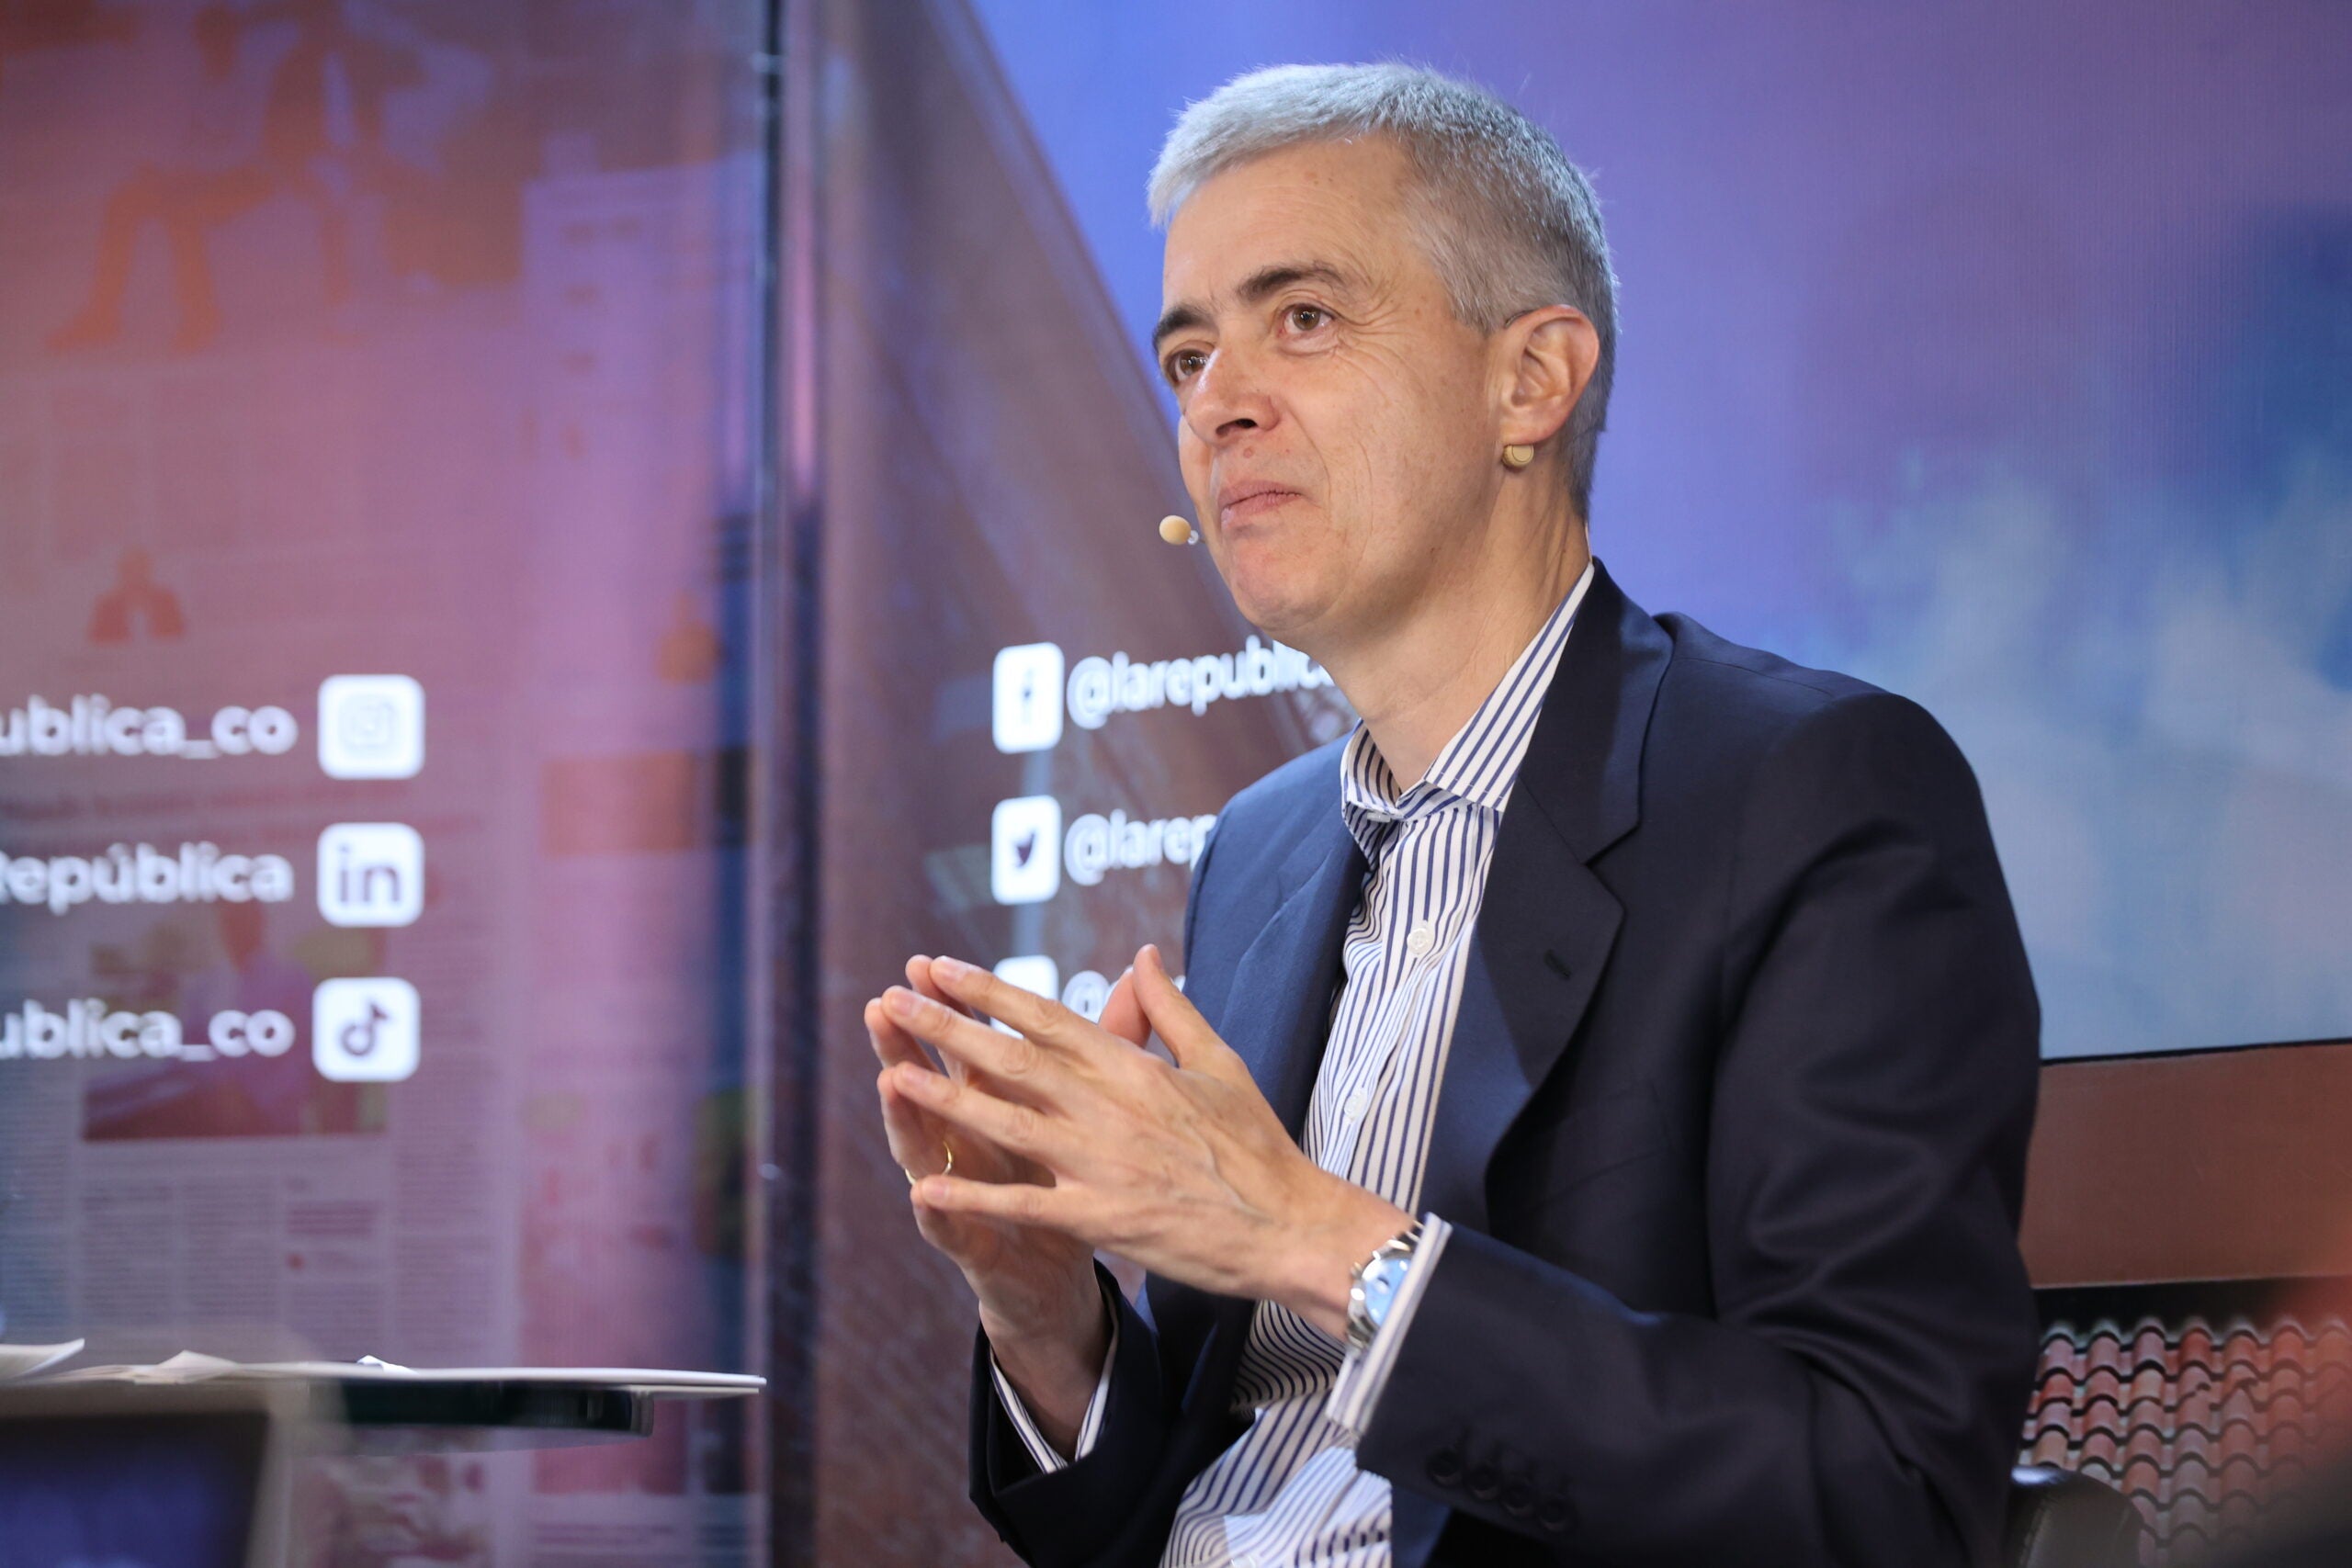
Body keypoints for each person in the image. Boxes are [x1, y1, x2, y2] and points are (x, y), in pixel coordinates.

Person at [866, 62, 2041, 1568]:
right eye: (1187, 358)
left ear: (1531, 381)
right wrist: (1044, 1313)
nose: (1219, 404)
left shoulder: (1810, 795)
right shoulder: (1259, 858)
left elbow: (1883, 1491)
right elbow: (1199, 1496)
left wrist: (1310, 1234)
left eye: (1303, 319)